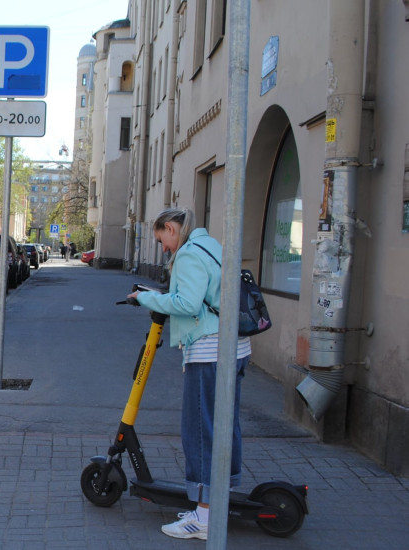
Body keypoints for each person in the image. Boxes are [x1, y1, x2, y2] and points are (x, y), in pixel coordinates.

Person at [126, 208, 250, 541]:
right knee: (224, 426)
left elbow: (188, 304)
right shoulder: (213, 246)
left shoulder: (189, 254)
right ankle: (216, 500)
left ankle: (204, 516)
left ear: (171, 228)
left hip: (210, 352)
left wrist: (146, 298)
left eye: (162, 240)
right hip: (234, 348)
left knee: (200, 429)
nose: (164, 248)